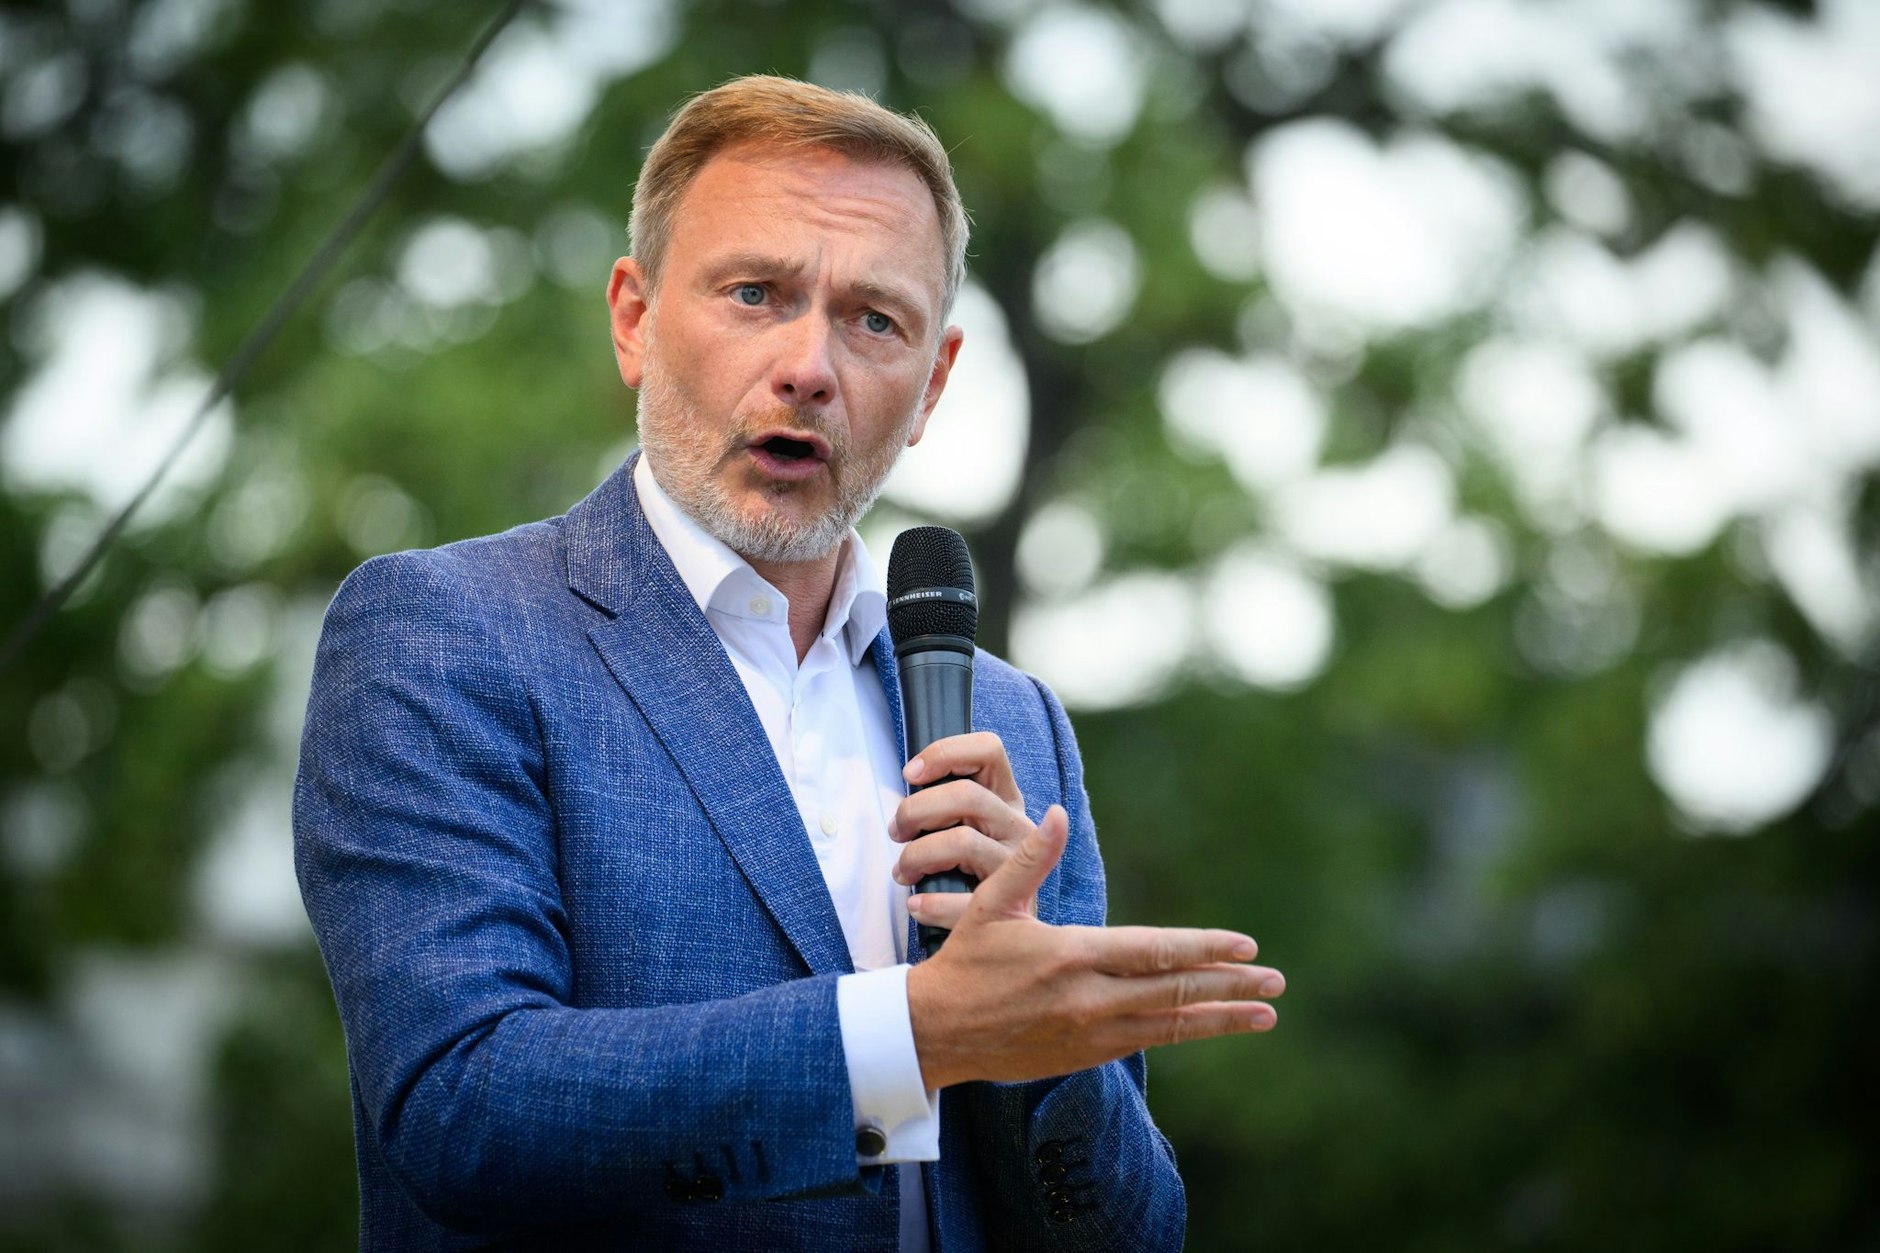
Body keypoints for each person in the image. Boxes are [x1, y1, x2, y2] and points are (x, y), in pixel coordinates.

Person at [294, 75, 1284, 1252]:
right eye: (755, 293)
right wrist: (916, 1033)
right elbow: (465, 1107)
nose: (809, 364)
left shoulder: (1013, 721)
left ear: (933, 384)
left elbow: (1125, 1234)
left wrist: (1048, 1048)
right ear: (632, 317)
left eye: (874, 319)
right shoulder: (445, 633)